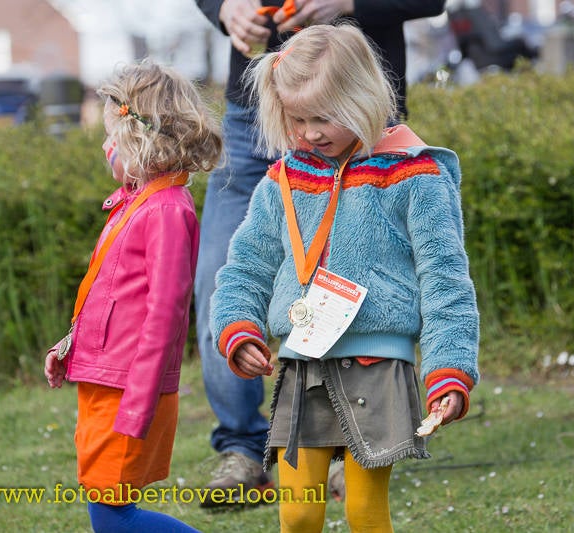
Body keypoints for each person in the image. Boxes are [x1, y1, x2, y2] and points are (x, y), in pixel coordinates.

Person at [210, 23, 480, 532]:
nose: (310, 133)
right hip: (300, 365)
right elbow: (245, 265)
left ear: (363, 96)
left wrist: (450, 369)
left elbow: (446, 280)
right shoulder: (281, 182)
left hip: (378, 369)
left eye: (324, 117)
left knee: (363, 513)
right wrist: (238, 326)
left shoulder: (415, 176)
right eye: (297, 119)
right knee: (298, 515)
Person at [43, 60, 223, 533]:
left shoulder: (166, 212)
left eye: (114, 140)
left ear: (145, 143)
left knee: (113, 518)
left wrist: (139, 403)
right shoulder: (137, 203)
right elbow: (107, 295)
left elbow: (165, 316)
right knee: (106, 509)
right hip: (106, 382)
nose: (106, 148)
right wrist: (69, 345)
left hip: (128, 391)